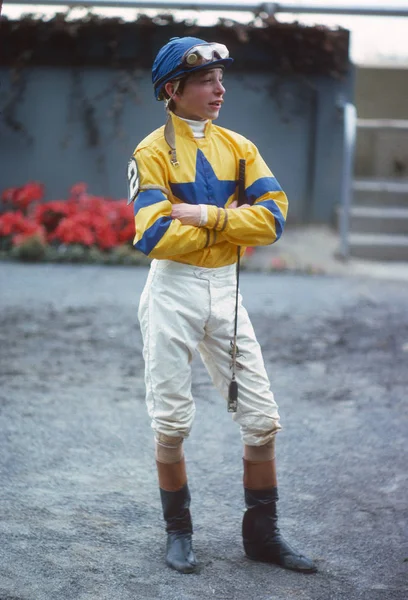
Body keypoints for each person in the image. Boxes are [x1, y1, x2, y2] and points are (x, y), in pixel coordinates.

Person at [127, 36, 317, 575]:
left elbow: (275, 216)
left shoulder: (240, 147)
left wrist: (208, 217)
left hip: (226, 291)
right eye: (207, 80)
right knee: (171, 423)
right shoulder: (151, 151)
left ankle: (263, 538)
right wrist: (235, 221)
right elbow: (155, 234)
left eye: (220, 79)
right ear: (173, 90)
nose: (219, 89)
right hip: (173, 290)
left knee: (262, 421)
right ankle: (179, 533)